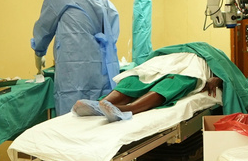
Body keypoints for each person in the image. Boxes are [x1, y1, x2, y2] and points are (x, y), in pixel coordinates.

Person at [31, 0, 121, 161]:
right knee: (96, 126)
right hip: (99, 72)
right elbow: (112, 33)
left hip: (71, 74)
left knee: (73, 129)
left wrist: (38, 52)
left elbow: (43, 30)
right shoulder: (101, 0)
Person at [73, 50, 224, 121]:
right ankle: (104, 103)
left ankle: (127, 109)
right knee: (137, 76)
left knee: (173, 82)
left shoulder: (213, 56)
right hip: (165, 61)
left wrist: (217, 78)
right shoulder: (180, 49)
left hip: (190, 67)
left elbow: (230, 75)